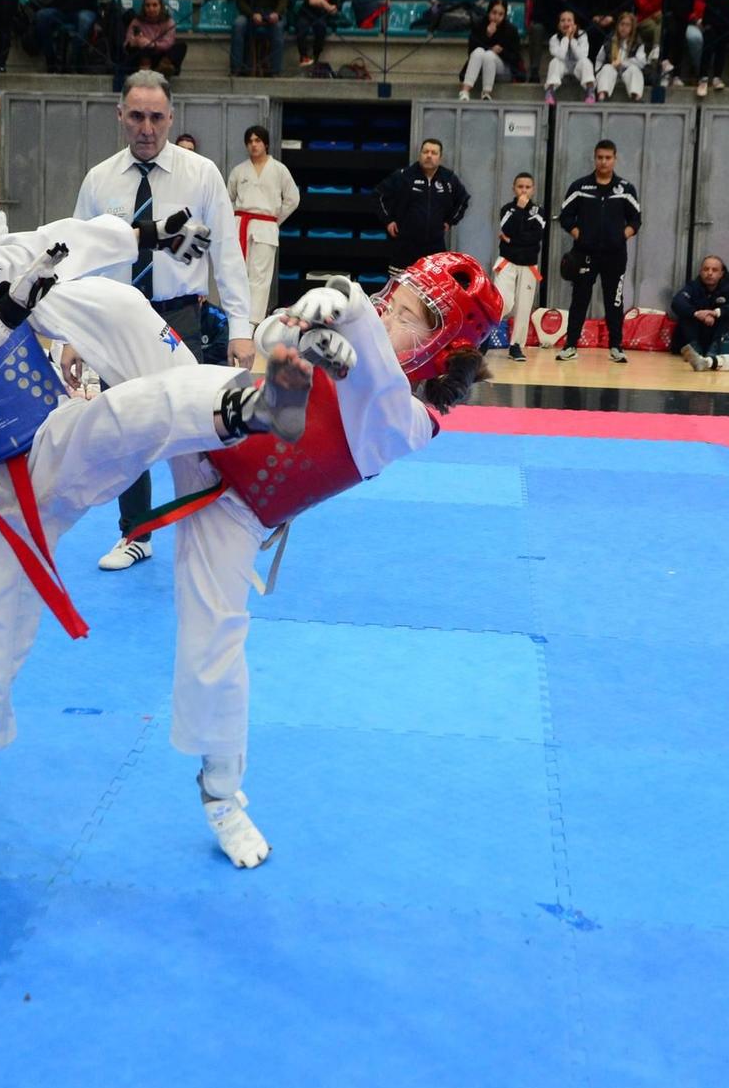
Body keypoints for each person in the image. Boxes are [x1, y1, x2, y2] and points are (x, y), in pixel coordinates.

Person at [0, 184, 335, 859]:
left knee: (118, 378)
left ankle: (248, 408)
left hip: (72, 427)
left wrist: (144, 236)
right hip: (1, 486)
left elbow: (70, 238)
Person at [124, 257, 501, 866]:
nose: (387, 313)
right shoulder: (353, 335)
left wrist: (348, 303)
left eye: (408, 314)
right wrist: (295, 330)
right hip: (211, 417)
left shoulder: (409, 423)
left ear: (445, 349)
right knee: (119, 313)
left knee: (212, 647)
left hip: (235, 509)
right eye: (390, 297)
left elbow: (375, 379)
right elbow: (273, 341)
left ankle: (221, 798)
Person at [74, 71, 252, 573]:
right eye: (136, 116)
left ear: (171, 118)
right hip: (113, 315)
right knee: (124, 426)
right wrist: (73, 336)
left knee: (190, 422)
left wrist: (242, 327)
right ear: (120, 116)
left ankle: (211, 525)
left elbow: (229, 255)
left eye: (156, 117)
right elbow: (78, 260)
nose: (146, 127)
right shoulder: (99, 180)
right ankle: (137, 532)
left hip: (179, 314)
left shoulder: (201, 174)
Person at [557, 139, 640, 363]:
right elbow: (565, 216)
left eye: (608, 158)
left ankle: (616, 347)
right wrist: (579, 235)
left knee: (614, 300)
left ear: (615, 159)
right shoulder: (580, 187)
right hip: (585, 254)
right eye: (600, 157)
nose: (603, 162)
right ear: (594, 158)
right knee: (579, 299)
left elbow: (636, 220)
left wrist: (623, 235)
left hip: (615, 256)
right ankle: (570, 345)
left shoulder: (626, 189)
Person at [226, 124, 301, 323]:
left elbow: (293, 198)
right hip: (241, 224)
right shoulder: (239, 171)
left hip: (266, 225)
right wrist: (235, 219)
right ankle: (236, 318)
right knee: (237, 272)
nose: (254, 145)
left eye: (257, 140)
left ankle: (253, 322)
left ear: (265, 143)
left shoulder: (278, 169)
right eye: (250, 141)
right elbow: (228, 199)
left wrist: (275, 220)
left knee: (260, 278)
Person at [377, 139, 470, 273]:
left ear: (440, 158)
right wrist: (388, 220)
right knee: (400, 291)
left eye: (434, 153)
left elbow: (463, 200)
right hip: (405, 246)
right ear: (420, 154)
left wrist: (450, 221)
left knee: (432, 290)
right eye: (425, 152)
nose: (429, 156)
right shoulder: (404, 176)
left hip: (435, 248)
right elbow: (378, 195)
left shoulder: (448, 179)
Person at [493, 172, 546, 360]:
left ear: (533, 189)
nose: (523, 190)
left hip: (529, 264)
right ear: (513, 188)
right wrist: (519, 210)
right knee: (503, 302)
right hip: (507, 262)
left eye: (527, 187)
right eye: (520, 187)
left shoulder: (539, 212)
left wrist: (511, 239)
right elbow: (506, 229)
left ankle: (516, 346)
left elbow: (536, 237)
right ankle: (484, 338)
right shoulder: (508, 209)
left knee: (524, 307)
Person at [671, 255, 729, 357]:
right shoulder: (692, 286)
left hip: (718, 332)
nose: (709, 273)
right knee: (685, 314)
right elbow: (677, 302)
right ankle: (694, 350)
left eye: (714, 270)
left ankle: (716, 348)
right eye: (706, 269)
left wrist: (715, 313)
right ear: (701, 272)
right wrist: (696, 314)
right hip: (697, 333)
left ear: (721, 274)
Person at [124, 0, 187, 76]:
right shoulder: (137, 21)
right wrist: (136, 42)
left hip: (160, 55)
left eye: (155, 5)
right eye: (148, 5)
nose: (151, 9)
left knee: (181, 46)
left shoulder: (168, 22)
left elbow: (168, 43)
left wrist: (153, 44)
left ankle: (163, 67)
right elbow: (127, 43)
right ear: (143, 7)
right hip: (143, 56)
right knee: (144, 49)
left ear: (161, 6)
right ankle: (146, 70)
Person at [543, 9, 597, 104]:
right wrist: (566, 38)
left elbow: (582, 55)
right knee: (555, 61)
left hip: (577, 68)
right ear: (559, 25)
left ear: (575, 23)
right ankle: (550, 91)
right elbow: (561, 55)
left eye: (569, 20)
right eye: (563, 20)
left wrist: (572, 39)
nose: (566, 23)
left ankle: (590, 91)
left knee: (586, 61)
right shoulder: (554, 39)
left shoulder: (582, 35)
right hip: (563, 68)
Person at [593, 12, 649, 101]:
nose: (624, 28)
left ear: (632, 28)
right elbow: (599, 59)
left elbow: (642, 62)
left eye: (627, 25)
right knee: (607, 68)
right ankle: (602, 96)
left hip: (626, 73)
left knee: (634, 70)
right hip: (611, 73)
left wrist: (623, 63)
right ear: (618, 26)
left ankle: (635, 97)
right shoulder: (609, 41)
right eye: (622, 24)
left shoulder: (637, 43)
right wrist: (598, 72)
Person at [295, 0, 343, 69]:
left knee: (321, 30)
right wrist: (324, 3)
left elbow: (333, 10)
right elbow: (312, 1)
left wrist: (321, 2)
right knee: (301, 28)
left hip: (319, 17)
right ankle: (303, 56)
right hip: (306, 14)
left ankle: (315, 57)